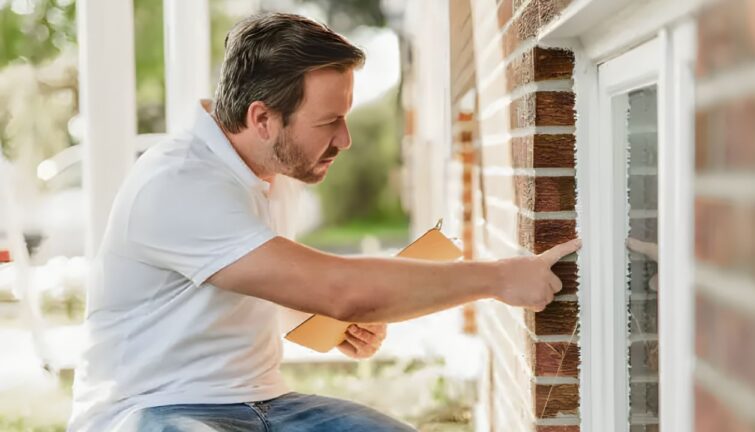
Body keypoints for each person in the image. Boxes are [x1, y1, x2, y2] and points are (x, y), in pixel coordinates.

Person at [68, 12, 581, 432]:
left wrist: (328, 327)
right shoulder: (178, 184)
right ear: (262, 118)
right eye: (328, 121)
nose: (345, 139)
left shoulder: (265, 171)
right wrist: (498, 278)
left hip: (262, 404)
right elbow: (338, 288)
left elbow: (247, 282)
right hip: (152, 411)